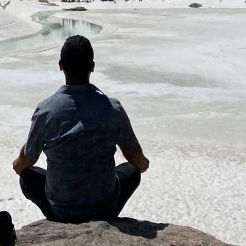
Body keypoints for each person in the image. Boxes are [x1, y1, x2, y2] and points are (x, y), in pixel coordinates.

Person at [12, 34, 149, 222]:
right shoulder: (112, 108)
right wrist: (143, 165)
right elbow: (134, 156)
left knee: (27, 177)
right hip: (105, 208)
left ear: (61, 65)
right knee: (131, 171)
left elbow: (28, 158)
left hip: (60, 211)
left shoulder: (46, 110)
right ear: (92, 66)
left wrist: (18, 166)